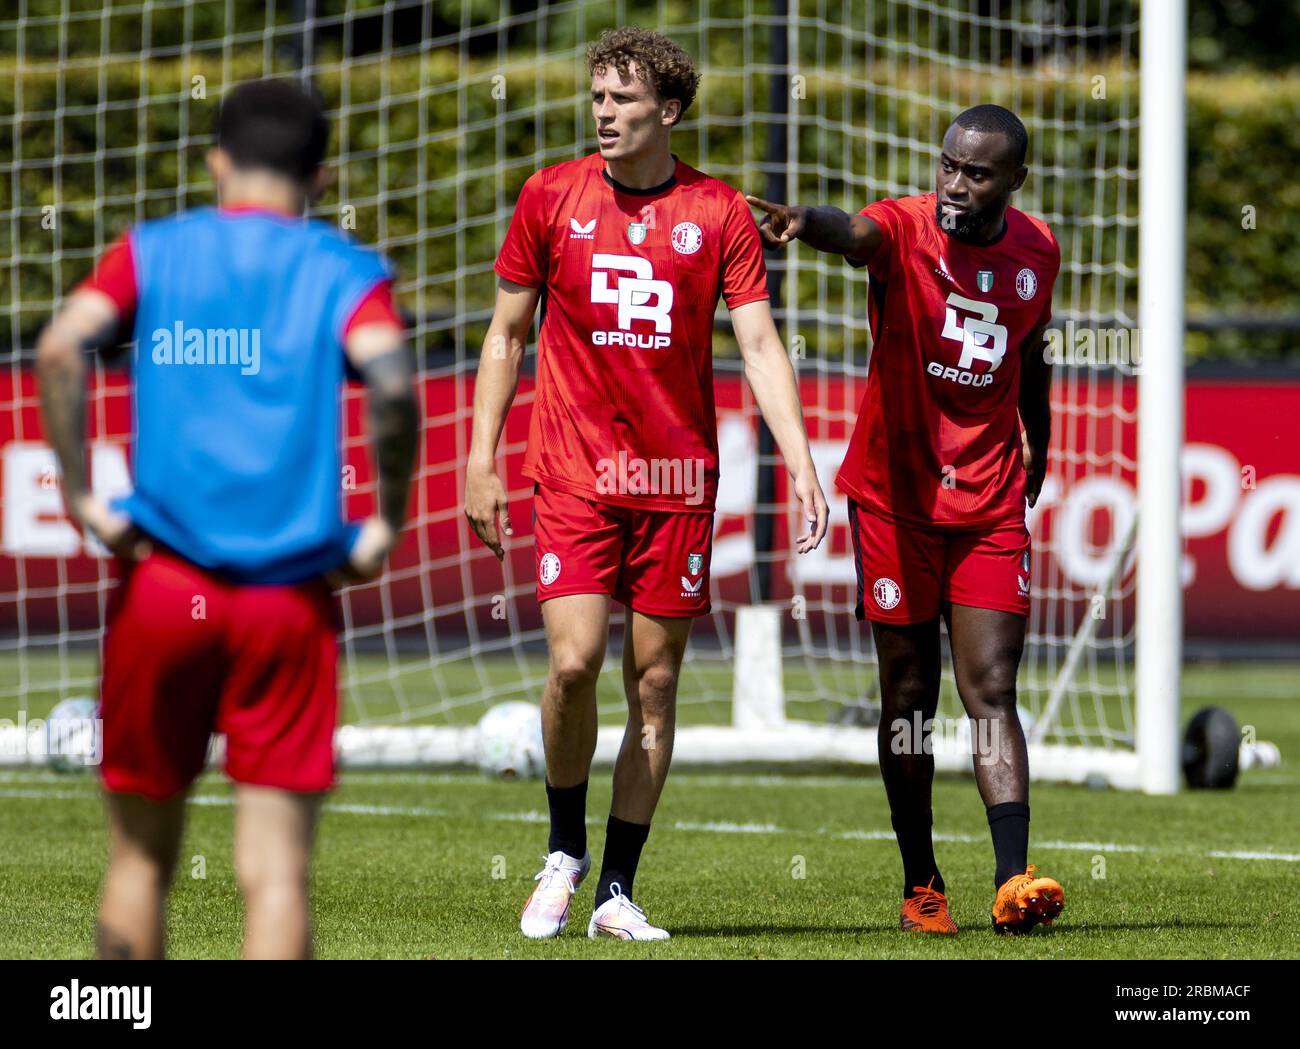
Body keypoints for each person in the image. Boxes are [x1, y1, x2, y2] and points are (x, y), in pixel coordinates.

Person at [35, 78, 418, 958]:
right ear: (322, 177)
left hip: (163, 589)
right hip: (287, 601)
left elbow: (61, 346)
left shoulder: (153, 251)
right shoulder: (340, 269)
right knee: (276, 876)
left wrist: (86, 497)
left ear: (216, 161)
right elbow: (392, 382)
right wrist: (386, 522)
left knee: (137, 864)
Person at [465, 26, 828, 941]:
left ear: (668, 110)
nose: (603, 113)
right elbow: (507, 334)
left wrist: (802, 460)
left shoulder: (718, 214)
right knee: (573, 662)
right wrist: (480, 458)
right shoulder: (549, 196)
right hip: (576, 472)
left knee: (655, 687)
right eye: (597, 97)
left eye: (622, 100)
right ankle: (562, 848)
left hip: (676, 480)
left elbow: (757, 344)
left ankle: (617, 889)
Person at [749, 104, 1065, 935]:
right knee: (911, 694)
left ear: (1015, 182)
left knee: (992, 688)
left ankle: (1013, 881)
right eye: (948, 165)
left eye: (977, 172)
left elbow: (1033, 354)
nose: (956, 183)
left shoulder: (1039, 253)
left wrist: (1044, 439)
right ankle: (921, 880)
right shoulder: (905, 228)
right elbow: (852, 232)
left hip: (991, 498)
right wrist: (800, 222)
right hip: (895, 499)